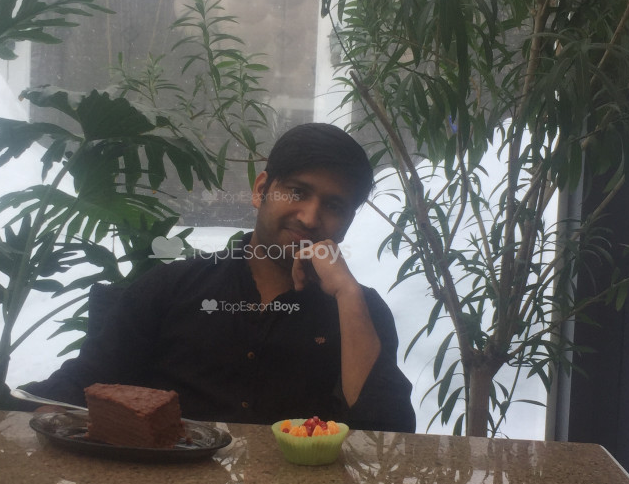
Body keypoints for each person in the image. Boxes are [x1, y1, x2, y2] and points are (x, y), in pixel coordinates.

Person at [24, 123, 415, 431]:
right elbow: (74, 392)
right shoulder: (171, 289)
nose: (311, 218)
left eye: (334, 206)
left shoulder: (357, 311)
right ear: (261, 190)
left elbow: (390, 434)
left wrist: (347, 293)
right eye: (297, 192)